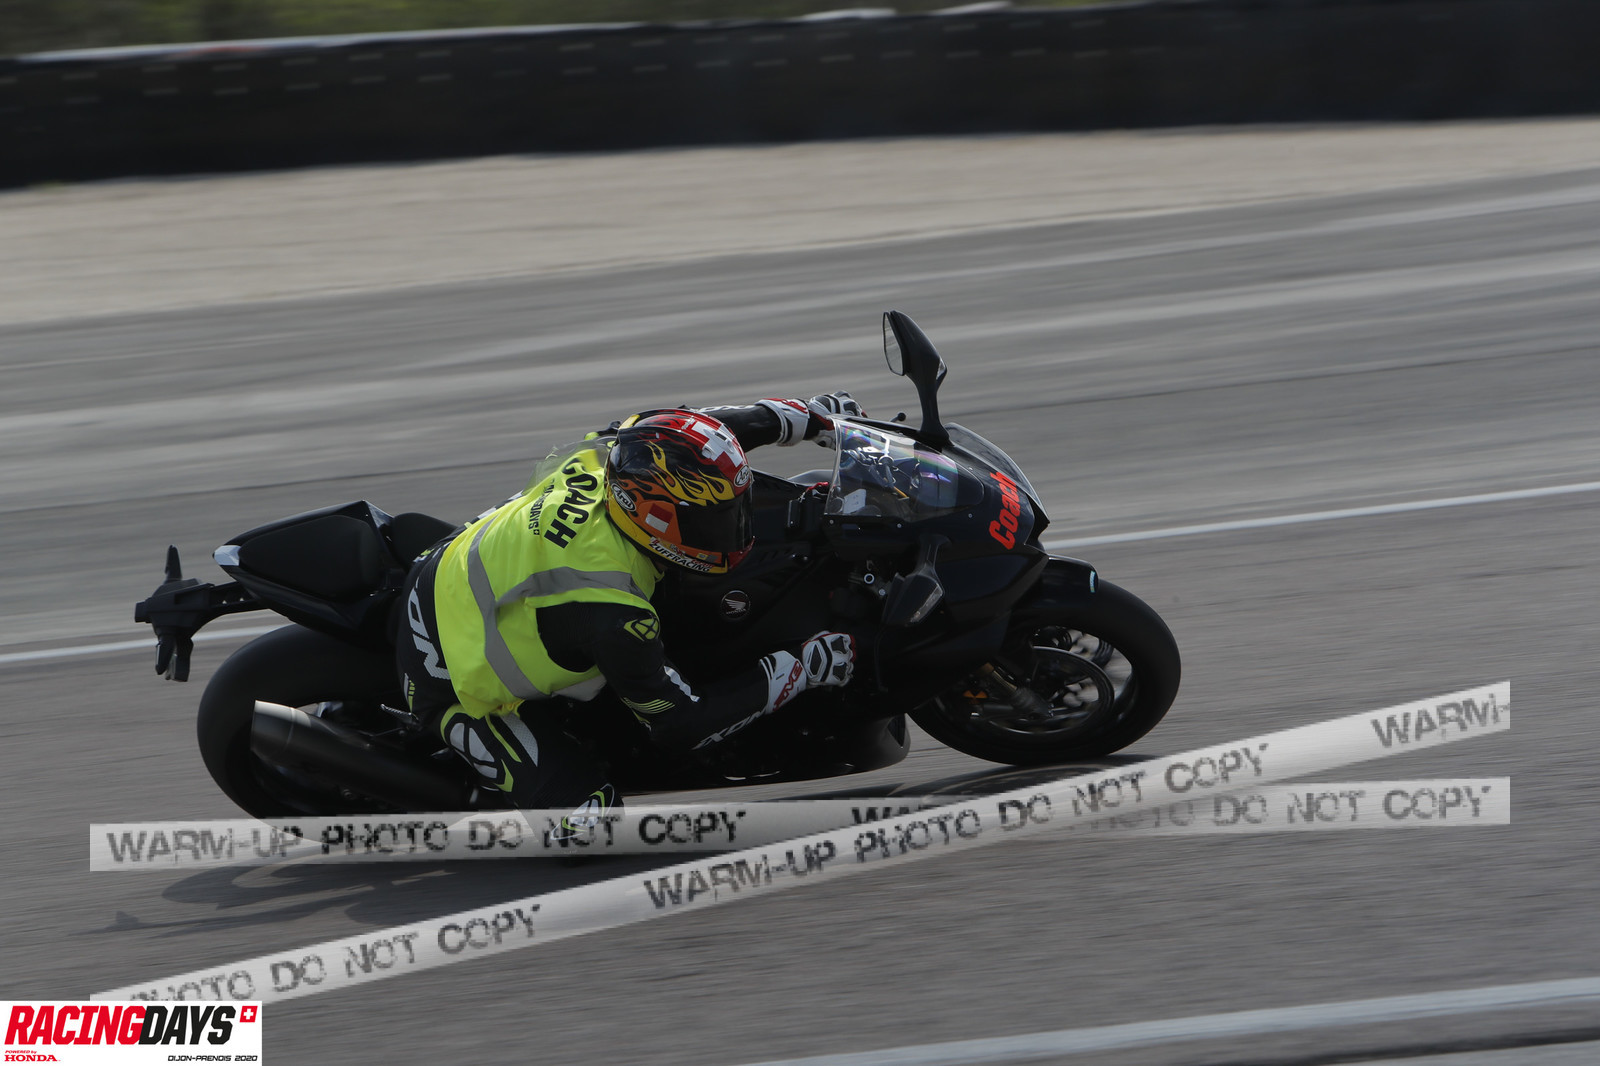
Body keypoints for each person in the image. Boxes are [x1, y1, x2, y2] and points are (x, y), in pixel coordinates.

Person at [394, 393, 864, 836]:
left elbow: (694, 437)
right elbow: (682, 724)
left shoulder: (617, 456)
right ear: (656, 516)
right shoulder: (611, 606)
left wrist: (810, 416)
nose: (734, 529)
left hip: (453, 563)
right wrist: (798, 669)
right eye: (714, 521)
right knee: (593, 827)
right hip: (441, 665)